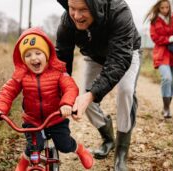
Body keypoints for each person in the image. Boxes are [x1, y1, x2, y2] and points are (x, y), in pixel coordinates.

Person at [0, 27, 93, 170]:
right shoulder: (21, 75)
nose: (33, 58)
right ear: (23, 59)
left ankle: (79, 149)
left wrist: (66, 104)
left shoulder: (58, 72)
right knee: (34, 147)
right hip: (33, 120)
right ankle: (24, 161)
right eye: (28, 55)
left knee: (64, 144)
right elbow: (7, 92)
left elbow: (71, 88)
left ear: (47, 55)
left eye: (38, 53)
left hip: (56, 117)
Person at [56, 0, 141, 170]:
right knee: (84, 99)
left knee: (126, 91)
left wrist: (93, 94)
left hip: (126, 53)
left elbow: (118, 60)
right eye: (72, 8)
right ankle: (108, 138)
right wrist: (59, 94)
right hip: (93, 56)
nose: (76, 16)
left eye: (83, 10)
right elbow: (62, 63)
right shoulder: (67, 21)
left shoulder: (120, 11)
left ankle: (121, 152)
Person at [145, 0, 173, 118]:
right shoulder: (155, 21)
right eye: (162, 8)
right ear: (158, 8)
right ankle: (166, 108)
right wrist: (169, 39)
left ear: (170, 7)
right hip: (162, 53)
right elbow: (155, 38)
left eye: (167, 7)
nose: (165, 10)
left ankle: (167, 107)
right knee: (167, 78)